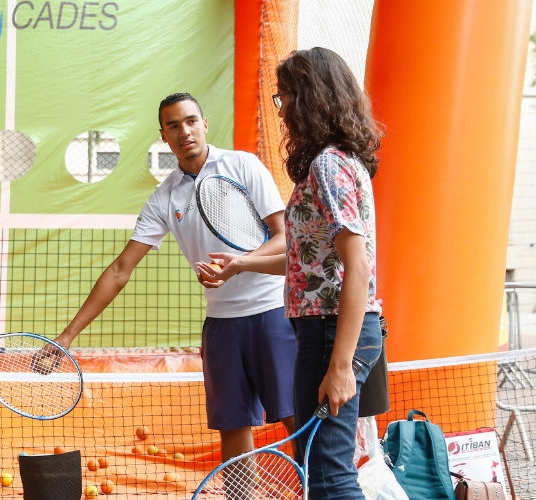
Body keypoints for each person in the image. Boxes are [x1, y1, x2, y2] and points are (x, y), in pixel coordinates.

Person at [52, 92, 297, 464]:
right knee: (233, 429)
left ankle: (319, 489)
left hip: (272, 312)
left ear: (204, 124)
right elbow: (120, 270)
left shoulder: (243, 165)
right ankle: (240, 493)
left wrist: (239, 263)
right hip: (221, 325)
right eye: (173, 126)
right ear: (163, 136)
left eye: (191, 121)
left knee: (296, 420)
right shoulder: (164, 197)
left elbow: (284, 237)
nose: (185, 132)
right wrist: (67, 336)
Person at [198, 47, 383, 499]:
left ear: (310, 96)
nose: (282, 111)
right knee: (319, 469)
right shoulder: (340, 161)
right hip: (326, 331)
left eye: (285, 97)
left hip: (333, 332)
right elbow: (307, 261)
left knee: (330, 476)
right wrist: (241, 264)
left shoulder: (328, 166)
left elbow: (357, 265)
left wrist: (340, 364)